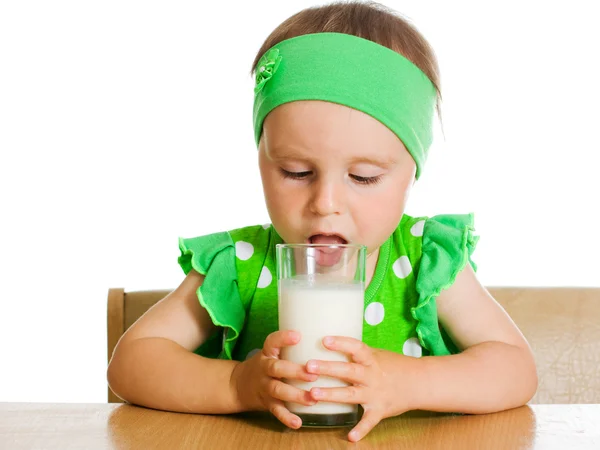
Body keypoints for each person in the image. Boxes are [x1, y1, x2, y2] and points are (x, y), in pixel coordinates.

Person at [107, 1, 537, 442]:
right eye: (296, 171)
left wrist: (411, 381)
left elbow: (515, 369)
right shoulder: (238, 266)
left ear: (412, 175)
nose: (325, 203)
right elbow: (131, 363)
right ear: (261, 160)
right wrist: (236, 385)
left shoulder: (426, 260)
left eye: (363, 177)